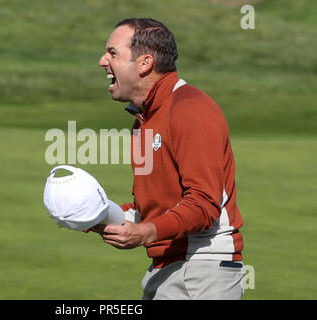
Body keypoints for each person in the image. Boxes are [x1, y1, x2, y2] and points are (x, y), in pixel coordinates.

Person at [93, 18, 245, 300]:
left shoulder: (190, 109)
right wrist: (89, 214)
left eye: (113, 53)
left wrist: (146, 233)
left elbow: (203, 204)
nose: (103, 61)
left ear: (144, 63)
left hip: (202, 270)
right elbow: (148, 210)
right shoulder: (143, 120)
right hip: (169, 269)